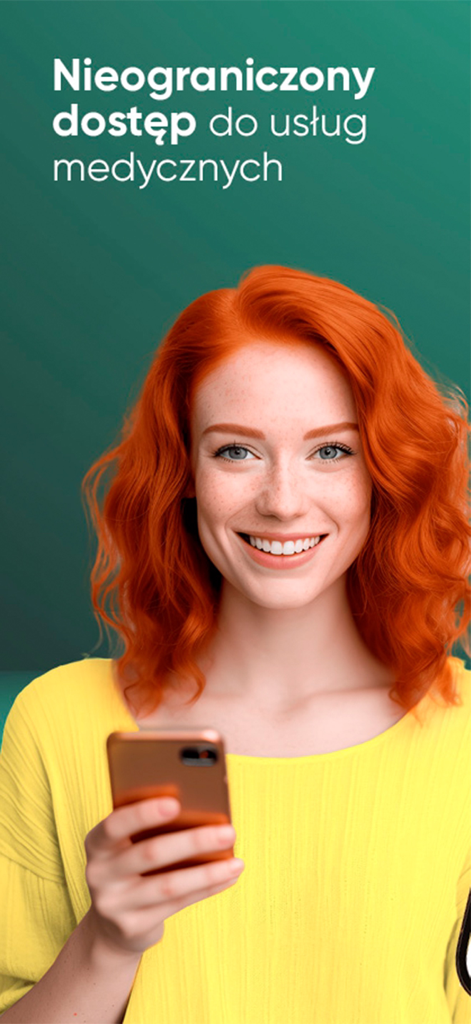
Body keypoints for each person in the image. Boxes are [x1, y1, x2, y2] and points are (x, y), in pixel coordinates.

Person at [0, 265, 469, 1024]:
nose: (282, 502)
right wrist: (108, 941)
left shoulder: (463, 735)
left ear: (384, 469)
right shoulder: (60, 723)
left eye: (331, 451)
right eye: (235, 452)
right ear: (184, 468)